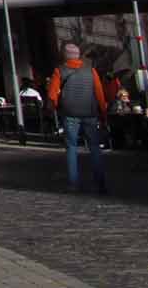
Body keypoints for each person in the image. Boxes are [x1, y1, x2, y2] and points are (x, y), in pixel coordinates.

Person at [46, 42, 110, 194]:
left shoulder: (59, 71)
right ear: (78, 55)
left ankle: (74, 183)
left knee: (71, 147)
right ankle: (100, 183)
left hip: (70, 113)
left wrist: (52, 109)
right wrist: (103, 114)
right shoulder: (91, 71)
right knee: (94, 147)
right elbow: (100, 94)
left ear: (64, 56)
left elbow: (52, 95)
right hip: (90, 113)